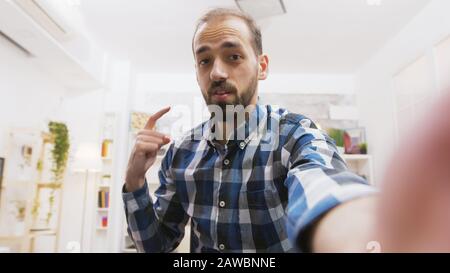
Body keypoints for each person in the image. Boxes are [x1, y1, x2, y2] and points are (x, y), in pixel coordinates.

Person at [123, 8, 450, 253]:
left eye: (233, 55)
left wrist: (365, 234)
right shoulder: (180, 152)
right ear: (196, 73)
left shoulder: (296, 136)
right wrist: (135, 180)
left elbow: (323, 185)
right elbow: (155, 247)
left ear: (262, 67)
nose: (218, 72)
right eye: (205, 61)